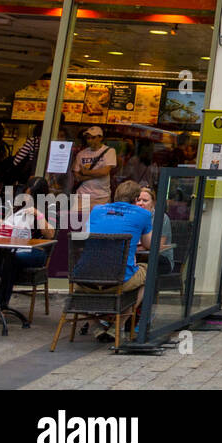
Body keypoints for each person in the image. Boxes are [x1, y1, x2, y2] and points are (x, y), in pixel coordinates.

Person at [80, 180, 155, 341]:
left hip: (85, 280)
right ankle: (119, 325)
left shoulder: (96, 210)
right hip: (118, 280)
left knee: (77, 291)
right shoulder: (143, 214)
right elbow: (150, 245)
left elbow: (86, 235)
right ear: (136, 199)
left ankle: (95, 326)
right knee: (148, 272)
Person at [0, 176, 55, 274]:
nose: (27, 199)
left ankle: (4, 289)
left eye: (31, 196)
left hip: (35, 251)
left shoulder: (47, 210)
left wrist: (38, 214)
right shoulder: (18, 207)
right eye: (26, 195)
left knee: (9, 258)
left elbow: (50, 234)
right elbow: (9, 225)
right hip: (11, 248)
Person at [72, 126, 117, 210]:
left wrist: (85, 173)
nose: (89, 140)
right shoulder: (81, 154)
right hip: (82, 196)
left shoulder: (109, 151)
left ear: (100, 138)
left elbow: (104, 172)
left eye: (93, 137)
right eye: (88, 138)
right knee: (76, 221)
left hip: (102, 197)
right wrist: (95, 174)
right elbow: (77, 176)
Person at [134, 185, 173, 274]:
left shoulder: (161, 218)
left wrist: (139, 247)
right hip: (138, 257)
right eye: (138, 200)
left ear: (153, 203)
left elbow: (158, 246)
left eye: (145, 201)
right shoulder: (134, 217)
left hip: (160, 259)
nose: (140, 203)